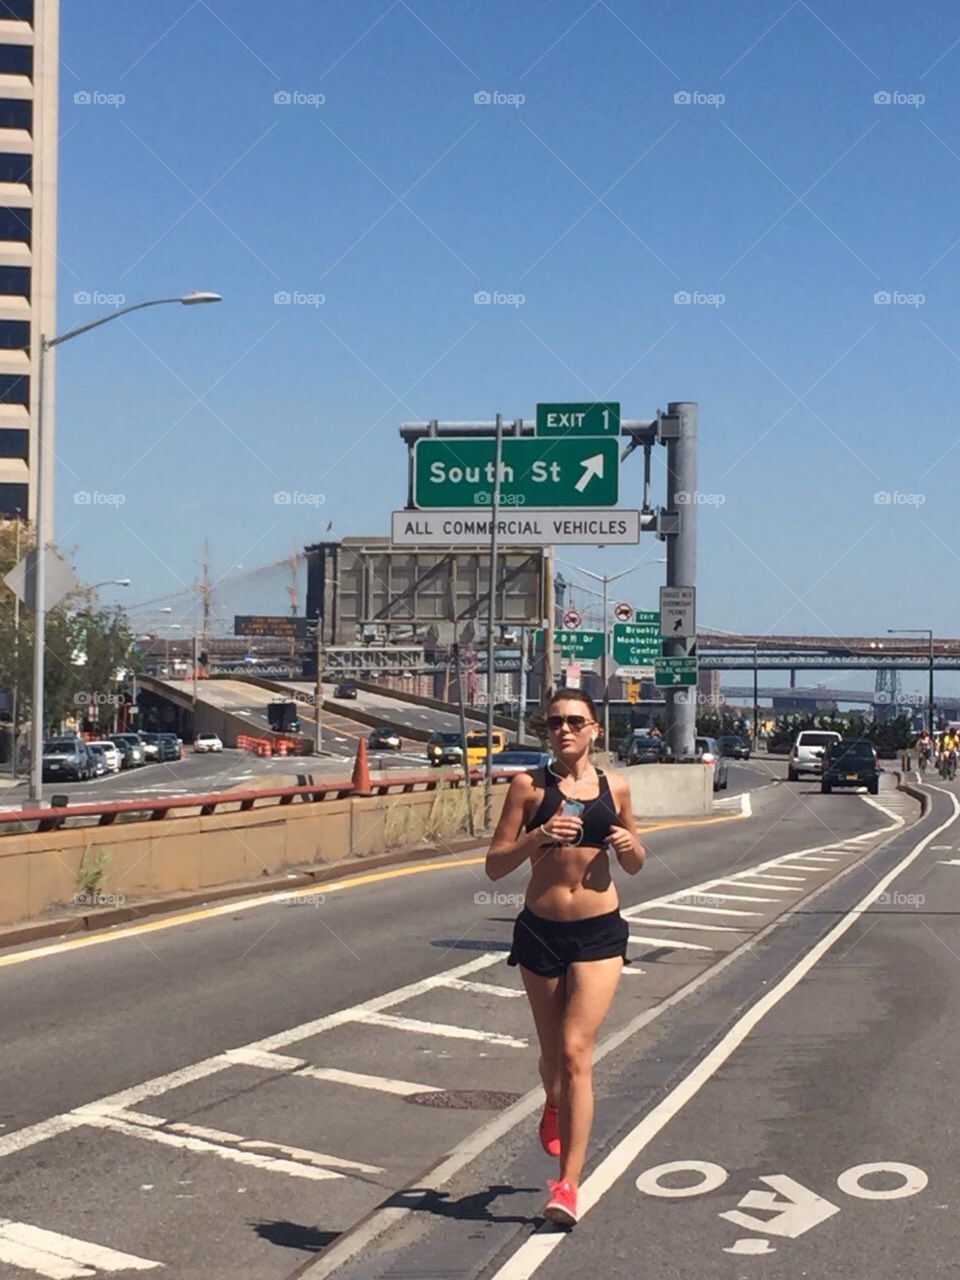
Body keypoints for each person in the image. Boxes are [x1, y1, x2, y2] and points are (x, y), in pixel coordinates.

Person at [486, 689, 645, 1227]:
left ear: (595, 729)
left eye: (575, 721)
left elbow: (639, 861)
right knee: (554, 1059)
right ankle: (553, 1098)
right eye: (554, 722)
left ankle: (568, 1185)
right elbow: (494, 866)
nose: (565, 730)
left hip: (599, 932)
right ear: (545, 731)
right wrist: (537, 837)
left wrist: (628, 849)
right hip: (541, 932)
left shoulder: (615, 787)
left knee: (578, 1051)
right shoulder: (528, 788)